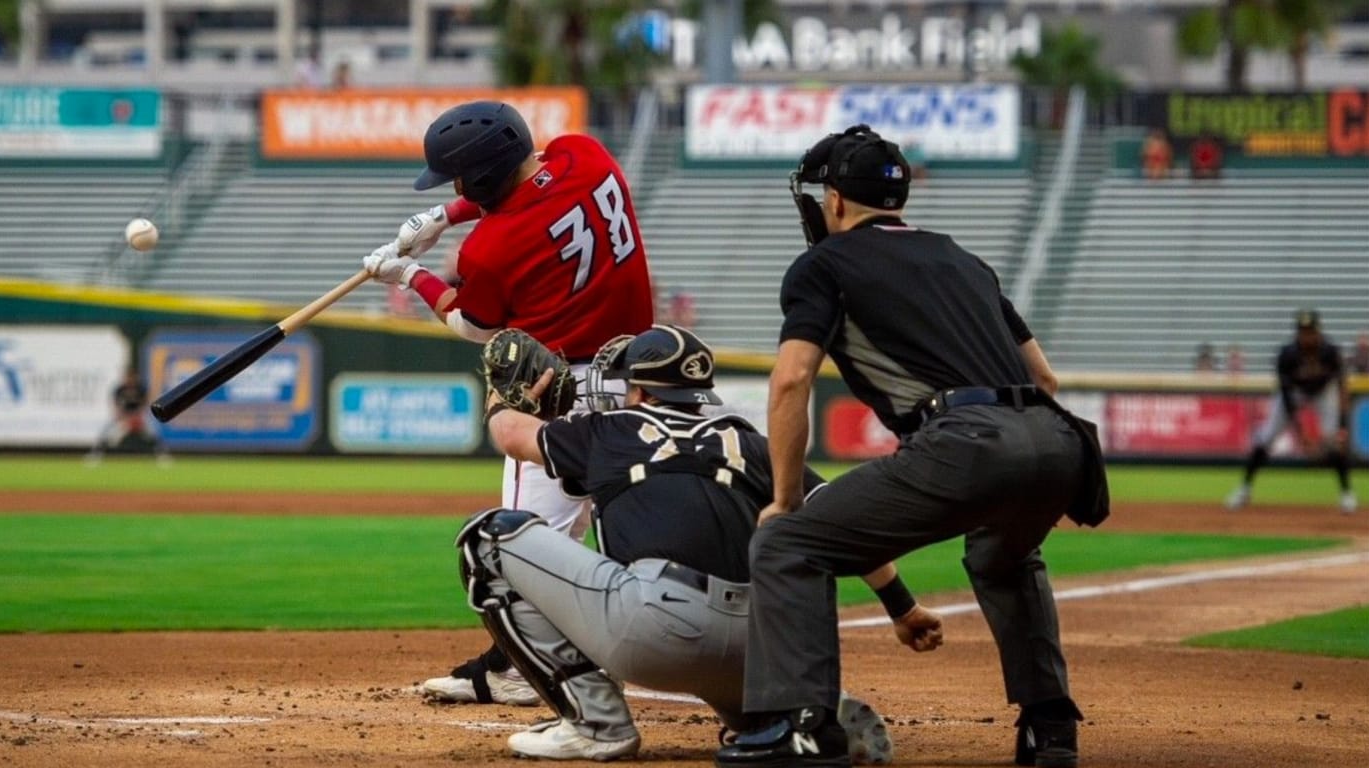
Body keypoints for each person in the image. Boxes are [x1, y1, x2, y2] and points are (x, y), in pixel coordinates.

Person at [715, 125, 1108, 768]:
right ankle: (1050, 727)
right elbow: (1045, 379)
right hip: (1059, 440)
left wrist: (785, 499)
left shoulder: (823, 264)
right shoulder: (963, 258)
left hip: (965, 439)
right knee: (1002, 555)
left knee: (788, 543)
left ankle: (804, 727)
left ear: (834, 200)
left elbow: (791, 381)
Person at [460, 324, 940, 760]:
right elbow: (842, 519)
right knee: (748, 700)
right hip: (758, 650)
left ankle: (596, 722)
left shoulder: (610, 430)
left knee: (487, 537)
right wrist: (903, 608)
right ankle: (784, 715)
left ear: (642, 388)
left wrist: (506, 399)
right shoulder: (746, 440)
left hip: (655, 633)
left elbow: (511, 436)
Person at [361, 100, 655, 705]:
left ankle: (521, 668)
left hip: (558, 391)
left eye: (461, 180)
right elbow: (539, 178)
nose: (459, 187)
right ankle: (524, 657)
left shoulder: (490, 248)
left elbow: (473, 323)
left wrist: (408, 275)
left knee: (520, 545)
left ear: (486, 176)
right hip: (642, 380)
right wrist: (445, 213)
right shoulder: (588, 155)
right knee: (627, 535)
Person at [1224, 309, 1357, 515]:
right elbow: (1286, 397)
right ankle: (1244, 489)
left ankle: (1346, 494)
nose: (1306, 336)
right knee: (1266, 437)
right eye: (1302, 332)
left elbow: (1342, 388)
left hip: (1324, 391)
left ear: (1318, 332)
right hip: (1295, 392)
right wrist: (1301, 432)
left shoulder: (1330, 352)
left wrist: (1343, 426)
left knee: (1333, 442)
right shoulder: (1287, 355)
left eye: (1310, 331)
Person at [86, 367, 171, 466]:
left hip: (138, 417)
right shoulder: (120, 389)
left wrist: (135, 417)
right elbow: (116, 407)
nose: (130, 379)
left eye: (132, 377)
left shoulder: (141, 388)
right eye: (128, 377)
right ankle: (96, 454)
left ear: (135, 377)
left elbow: (145, 405)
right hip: (123, 417)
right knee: (106, 430)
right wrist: (125, 419)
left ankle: (162, 455)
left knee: (153, 429)